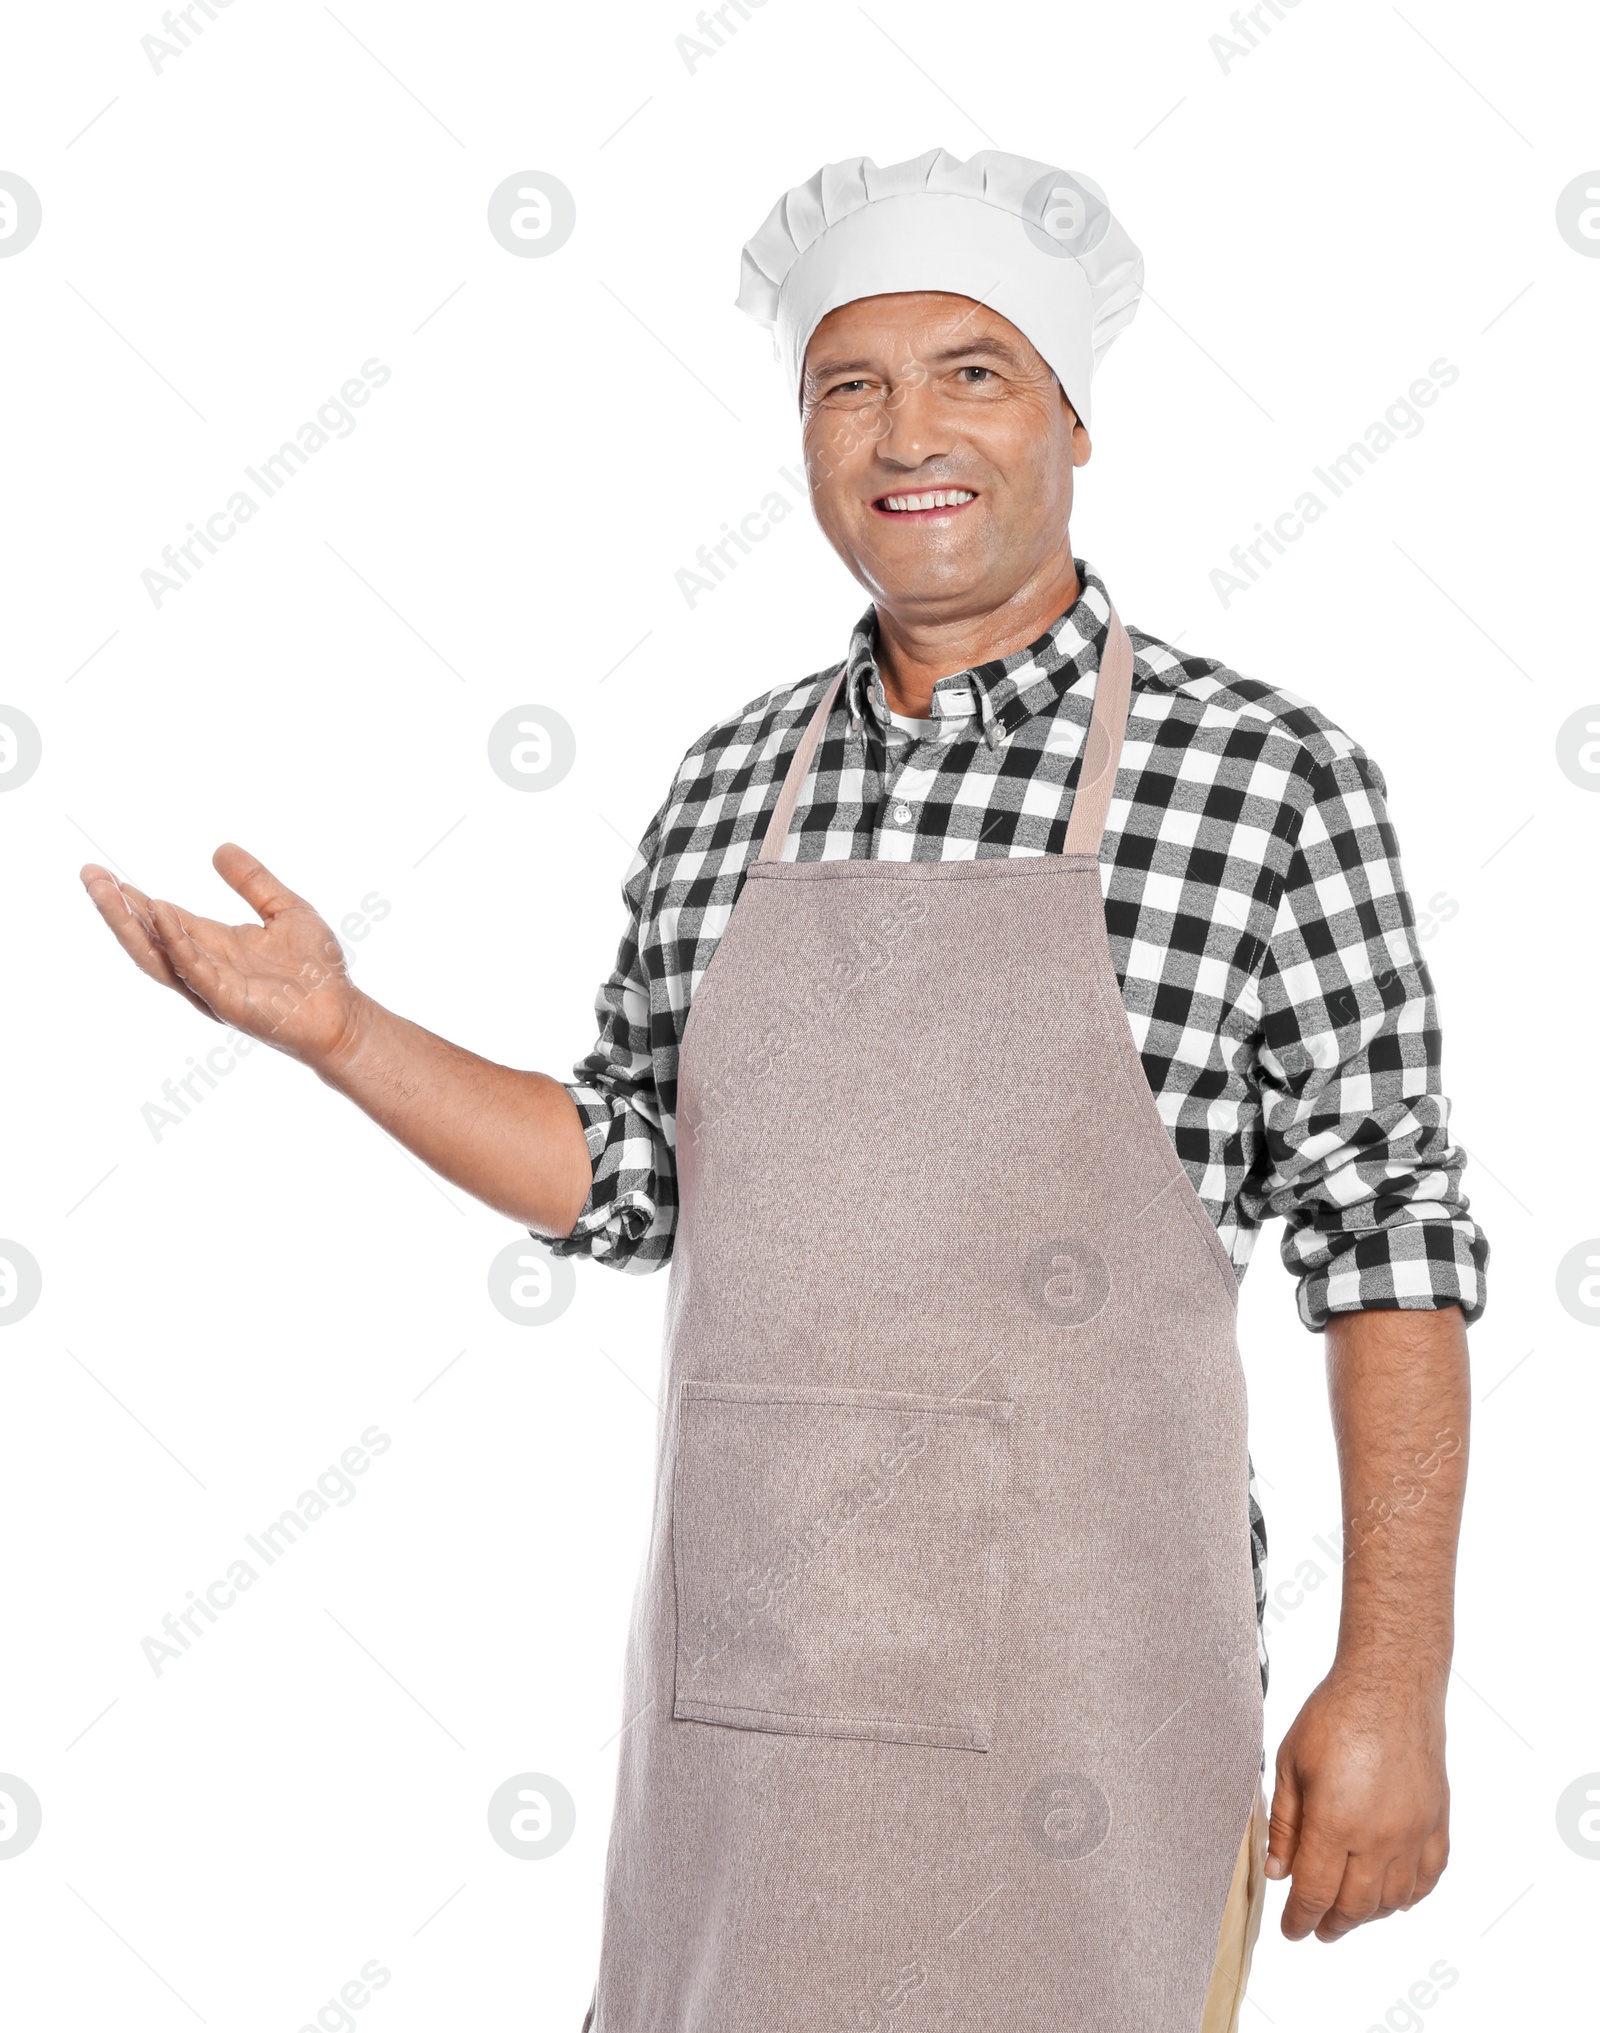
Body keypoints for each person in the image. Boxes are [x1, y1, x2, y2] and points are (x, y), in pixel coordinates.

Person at [82, 148, 1484, 2033]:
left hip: (1092, 1707)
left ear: (1075, 419)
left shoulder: (1268, 783)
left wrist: (1391, 1679)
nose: (911, 431)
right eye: (851, 385)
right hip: (745, 1717)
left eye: (973, 371)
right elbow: (638, 1176)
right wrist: (346, 1032)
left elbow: (1388, 1231)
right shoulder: (728, 783)